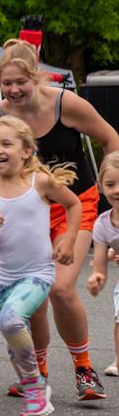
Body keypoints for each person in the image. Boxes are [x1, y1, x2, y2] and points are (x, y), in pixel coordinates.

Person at [0, 39, 118, 400]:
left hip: (76, 204)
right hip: (28, 212)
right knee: (36, 301)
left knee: (60, 289)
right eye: (6, 83)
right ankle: (38, 373)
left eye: (20, 83)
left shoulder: (65, 102)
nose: (13, 90)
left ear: (37, 77)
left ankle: (84, 369)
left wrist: (112, 184)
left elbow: (111, 139)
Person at [0, 115, 82, 416]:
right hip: (4, 277)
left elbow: (74, 205)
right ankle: (36, 398)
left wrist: (69, 241)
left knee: (10, 321)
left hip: (38, 273)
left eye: (6, 143)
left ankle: (36, 392)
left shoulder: (40, 181)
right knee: (12, 343)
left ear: (25, 150)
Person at [86, 151, 119, 378]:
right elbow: (99, 266)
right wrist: (96, 278)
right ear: (100, 186)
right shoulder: (102, 224)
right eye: (110, 184)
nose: (116, 189)